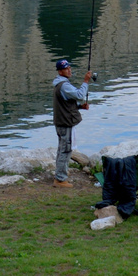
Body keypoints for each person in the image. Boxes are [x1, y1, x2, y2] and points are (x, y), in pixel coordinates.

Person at [51, 58, 92, 188]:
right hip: (65, 123)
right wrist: (86, 81)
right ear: (60, 71)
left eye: (69, 68)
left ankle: (60, 174)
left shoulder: (60, 84)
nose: (69, 70)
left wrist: (79, 107)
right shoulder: (64, 85)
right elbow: (80, 94)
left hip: (61, 122)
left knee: (62, 149)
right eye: (66, 69)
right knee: (66, 150)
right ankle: (60, 180)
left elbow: (66, 103)